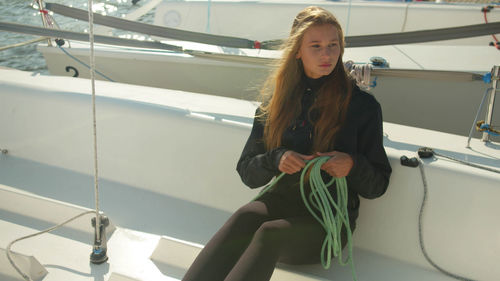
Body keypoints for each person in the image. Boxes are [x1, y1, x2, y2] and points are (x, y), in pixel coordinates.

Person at [182, 6, 392, 281]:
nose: (327, 54)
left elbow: (378, 184)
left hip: (326, 221)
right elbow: (247, 171)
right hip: (282, 202)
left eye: (333, 45)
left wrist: (351, 165)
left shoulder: (362, 107)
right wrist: (276, 158)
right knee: (246, 216)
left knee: (270, 234)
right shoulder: (278, 102)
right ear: (297, 51)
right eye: (315, 46)